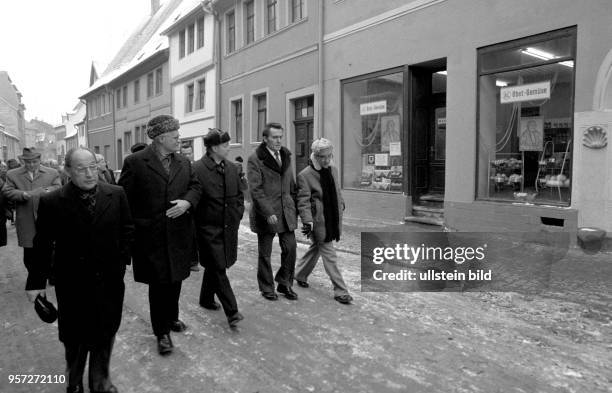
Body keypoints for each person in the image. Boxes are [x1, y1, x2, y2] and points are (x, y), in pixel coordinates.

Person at [27, 147, 133, 393]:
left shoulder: (116, 194)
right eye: (81, 169)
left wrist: (120, 261)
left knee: (106, 331)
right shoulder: (53, 201)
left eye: (93, 168)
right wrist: (35, 282)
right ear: (67, 171)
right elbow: (41, 244)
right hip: (72, 283)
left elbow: (127, 229)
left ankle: (100, 382)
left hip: (109, 281)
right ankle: (73, 381)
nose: (89, 174)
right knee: (74, 337)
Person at [118, 115, 201, 356]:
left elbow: (195, 187)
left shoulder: (183, 162)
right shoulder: (135, 162)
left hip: (178, 234)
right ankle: (161, 332)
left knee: (175, 279)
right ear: (161, 137)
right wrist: (131, 233)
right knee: (158, 285)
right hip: (150, 236)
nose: (179, 139)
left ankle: (172, 317)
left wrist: (187, 202)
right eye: (175, 136)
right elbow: (124, 199)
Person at [193, 129, 245, 327]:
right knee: (218, 267)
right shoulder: (196, 169)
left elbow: (240, 195)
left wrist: (238, 214)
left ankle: (206, 299)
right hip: (206, 229)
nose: (228, 147)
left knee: (216, 265)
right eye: (225, 145)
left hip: (228, 226)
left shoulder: (232, 168)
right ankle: (232, 311)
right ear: (214, 148)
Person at [294, 139, 353, 304]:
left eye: (329, 156)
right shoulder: (304, 175)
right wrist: (307, 221)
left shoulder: (333, 170)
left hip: (332, 218)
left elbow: (336, 190)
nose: (327, 160)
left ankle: (299, 274)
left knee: (316, 248)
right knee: (329, 254)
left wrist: (340, 202)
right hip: (318, 222)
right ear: (315, 156)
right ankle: (341, 290)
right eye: (323, 157)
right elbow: (303, 201)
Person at [247, 123, 298, 301]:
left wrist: (295, 207)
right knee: (265, 254)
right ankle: (267, 287)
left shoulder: (286, 155)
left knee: (291, 248)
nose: (278, 141)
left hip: (286, 211)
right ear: (265, 138)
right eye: (274, 137)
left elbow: (291, 185)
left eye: (280, 137)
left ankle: (285, 283)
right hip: (266, 213)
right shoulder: (255, 158)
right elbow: (255, 190)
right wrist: (268, 212)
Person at [1, 148, 61, 289]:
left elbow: (58, 187)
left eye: (35, 161)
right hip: (26, 218)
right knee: (29, 252)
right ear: (23, 161)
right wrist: (23, 194)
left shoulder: (52, 173)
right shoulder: (12, 174)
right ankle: (34, 276)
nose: (32, 165)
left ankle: (50, 275)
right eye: (28, 162)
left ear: (40, 159)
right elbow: (7, 191)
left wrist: (45, 192)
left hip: (47, 217)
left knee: (49, 248)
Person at [179, 142, 200, 272]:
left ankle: (194, 260)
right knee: (188, 235)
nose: (187, 156)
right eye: (184, 154)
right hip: (184, 206)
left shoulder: (198, 167)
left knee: (197, 235)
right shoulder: (179, 167)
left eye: (189, 153)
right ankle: (190, 261)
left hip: (198, 206)